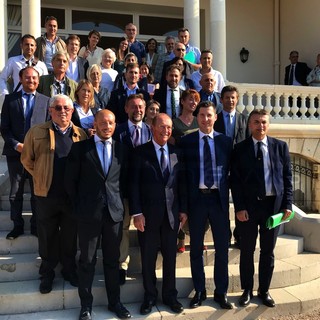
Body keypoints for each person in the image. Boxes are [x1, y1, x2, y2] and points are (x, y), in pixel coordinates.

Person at [65, 109, 131, 320]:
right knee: (87, 261)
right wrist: (80, 207)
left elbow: (125, 182)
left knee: (113, 261)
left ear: (115, 124)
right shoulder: (80, 149)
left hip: (113, 214)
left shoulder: (123, 149)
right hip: (88, 215)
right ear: (95, 123)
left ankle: (115, 303)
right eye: (103, 122)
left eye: (111, 123)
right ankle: (86, 306)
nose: (107, 126)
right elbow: (70, 182)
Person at [21, 94, 87, 294]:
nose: (63, 111)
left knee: (69, 236)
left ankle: (69, 270)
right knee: (47, 236)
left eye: (66, 108)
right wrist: (40, 176)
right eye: (58, 108)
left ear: (72, 111)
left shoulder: (80, 134)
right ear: (50, 111)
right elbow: (26, 159)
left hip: (70, 197)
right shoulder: (36, 132)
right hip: (46, 195)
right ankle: (47, 273)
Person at [230, 109, 293, 308]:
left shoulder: (280, 147)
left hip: (272, 208)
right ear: (250, 125)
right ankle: (247, 289)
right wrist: (239, 207)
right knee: (247, 250)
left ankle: (264, 290)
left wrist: (287, 205)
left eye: (264, 122)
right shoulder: (239, 149)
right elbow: (235, 181)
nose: (261, 125)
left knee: (268, 251)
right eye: (256, 122)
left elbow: (287, 178)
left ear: (268, 124)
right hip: (248, 209)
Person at [129, 113, 186, 315]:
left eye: (169, 127)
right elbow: (133, 185)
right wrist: (137, 213)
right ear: (152, 127)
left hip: (171, 216)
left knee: (170, 258)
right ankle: (150, 296)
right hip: (148, 217)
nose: (166, 131)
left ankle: (170, 296)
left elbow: (181, 185)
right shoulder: (139, 153)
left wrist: (183, 210)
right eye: (162, 126)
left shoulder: (176, 153)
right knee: (148, 259)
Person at [180, 101, 233, 310]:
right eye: (201, 115)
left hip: (218, 201)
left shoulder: (226, 142)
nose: (205, 119)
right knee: (195, 250)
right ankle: (200, 291)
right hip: (197, 201)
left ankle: (221, 293)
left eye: (209, 115)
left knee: (222, 248)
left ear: (215, 117)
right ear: (197, 117)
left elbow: (232, 173)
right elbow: (182, 177)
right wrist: (183, 206)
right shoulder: (187, 141)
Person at [1, 66, 50, 240]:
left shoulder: (46, 101)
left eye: (34, 78)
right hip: (16, 154)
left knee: (37, 192)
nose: (31, 81)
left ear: (38, 80)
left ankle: (37, 226)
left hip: (38, 156)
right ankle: (17, 226)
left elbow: (48, 128)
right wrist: (16, 145)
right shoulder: (10, 100)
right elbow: (4, 129)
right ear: (20, 79)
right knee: (15, 192)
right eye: (27, 78)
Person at [113, 94, 152, 285]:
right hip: (123, 190)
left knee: (148, 229)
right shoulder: (117, 131)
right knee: (123, 229)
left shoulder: (151, 131)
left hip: (146, 191)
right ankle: (121, 266)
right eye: (133, 107)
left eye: (140, 107)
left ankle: (148, 264)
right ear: (126, 109)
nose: (137, 110)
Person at [214, 85, 250, 248]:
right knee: (222, 204)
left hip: (240, 167)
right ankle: (225, 235)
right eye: (227, 97)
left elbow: (248, 143)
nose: (230, 100)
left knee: (239, 201)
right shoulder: (215, 119)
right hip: (219, 167)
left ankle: (239, 235)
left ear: (237, 99)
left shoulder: (244, 119)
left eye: (233, 97)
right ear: (221, 100)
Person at [0, 34, 48, 98]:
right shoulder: (13, 61)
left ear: (35, 47)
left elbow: (46, 84)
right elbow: (2, 78)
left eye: (32, 45)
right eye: (26, 44)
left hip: (36, 99)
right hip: (17, 98)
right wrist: (5, 94)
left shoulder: (41, 65)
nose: (29, 47)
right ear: (21, 46)